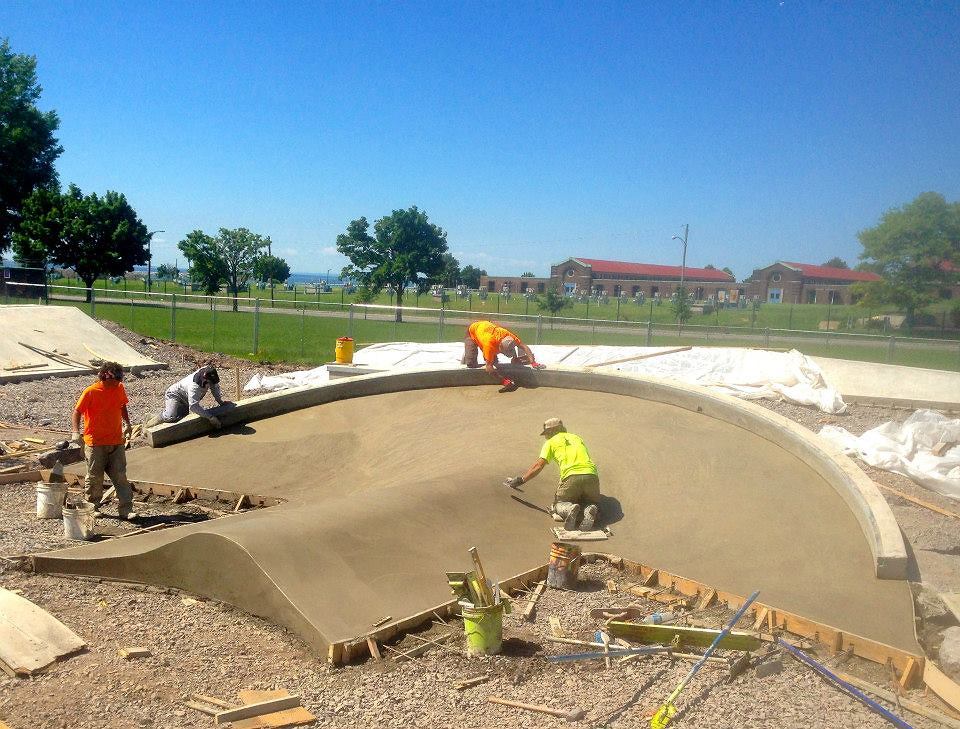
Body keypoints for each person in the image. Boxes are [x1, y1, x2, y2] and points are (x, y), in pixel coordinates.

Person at [504, 417, 600, 531]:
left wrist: (521, 479)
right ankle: (590, 508)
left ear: (551, 432)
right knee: (589, 501)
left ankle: (569, 509)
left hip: (571, 476)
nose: (545, 436)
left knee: (559, 504)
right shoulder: (577, 438)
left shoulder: (550, 443)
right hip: (592, 476)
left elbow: (538, 466)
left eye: (546, 433)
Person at [71, 361, 138, 520]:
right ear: (106, 377)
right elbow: (77, 412)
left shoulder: (119, 388)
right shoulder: (91, 392)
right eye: (116, 380)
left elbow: (122, 405)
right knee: (95, 477)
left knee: (120, 476)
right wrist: (75, 432)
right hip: (95, 443)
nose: (119, 383)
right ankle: (93, 507)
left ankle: (126, 510)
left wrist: (127, 423)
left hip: (116, 441)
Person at [461, 320, 544, 392]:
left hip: (485, 329)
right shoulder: (489, 345)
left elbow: (524, 346)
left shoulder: (509, 337)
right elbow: (488, 368)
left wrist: (533, 362)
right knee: (471, 363)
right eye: (505, 352)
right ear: (500, 347)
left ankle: (487, 357)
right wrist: (504, 381)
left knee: (495, 363)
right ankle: (467, 356)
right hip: (472, 331)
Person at [147, 364, 230, 428]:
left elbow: (214, 388)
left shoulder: (208, 371)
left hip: (186, 398)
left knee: (180, 418)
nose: (211, 385)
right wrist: (211, 417)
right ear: (206, 380)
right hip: (174, 395)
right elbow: (193, 406)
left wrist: (220, 402)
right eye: (210, 383)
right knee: (170, 417)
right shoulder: (194, 386)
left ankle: (160, 415)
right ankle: (150, 421)